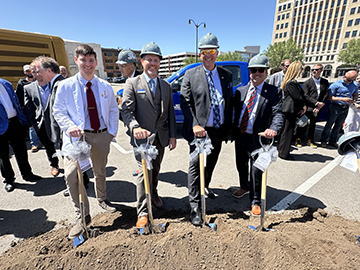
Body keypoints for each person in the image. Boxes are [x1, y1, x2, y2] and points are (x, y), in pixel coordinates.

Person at [53, 44, 119, 239]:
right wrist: (69, 126)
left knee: (100, 170)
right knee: (72, 176)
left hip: (101, 135)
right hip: (76, 138)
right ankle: (82, 215)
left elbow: (114, 110)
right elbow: (58, 111)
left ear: (96, 62)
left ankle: (102, 199)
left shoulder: (105, 86)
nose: (88, 64)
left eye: (91, 60)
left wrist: (112, 133)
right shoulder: (65, 86)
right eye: (83, 60)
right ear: (76, 61)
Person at [121, 42, 176, 229]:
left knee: (156, 170)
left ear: (159, 62)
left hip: (160, 138)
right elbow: (126, 111)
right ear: (142, 61)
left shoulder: (166, 86)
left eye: (156, 60)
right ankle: (143, 212)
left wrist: (172, 136)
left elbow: (170, 113)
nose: (152, 63)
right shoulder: (132, 83)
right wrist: (135, 127)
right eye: (149, 60)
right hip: (141, 139)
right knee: (143, 173)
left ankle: (153, 193)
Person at [180, 33, 233, 226]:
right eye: (204, 51)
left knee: (211, 162)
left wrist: (229, 128)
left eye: (211, 51)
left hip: (217, 130)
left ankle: (205, 185)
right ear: (199, 54)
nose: (208, 55)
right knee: (195, 166)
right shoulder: (191, 75)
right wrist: (195, 124)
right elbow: (185, 102)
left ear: (217, 52)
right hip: (199, 132)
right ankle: (194, 206)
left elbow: (229, 103)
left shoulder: (226, 75)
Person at [232, 54, 283, 216]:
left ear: (266, 72)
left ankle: (255, 201)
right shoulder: (240, 91)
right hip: (241, 136)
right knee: (241, 165)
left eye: (260, 70)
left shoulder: (274, 92)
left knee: (256, 169)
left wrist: (273, 128)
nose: (257, 73)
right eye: (253, 70)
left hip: (260, 138)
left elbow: (278, 114)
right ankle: (244, 186)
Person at [0, 79, 41, 192]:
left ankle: (27, 174)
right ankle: (9, 180)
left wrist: (22, 119)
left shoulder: (5, 83)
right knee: (3, 155)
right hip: (0, 126)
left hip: (15, 122)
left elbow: (16, 101)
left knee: (21, 151)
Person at [23, 62, 60, 177]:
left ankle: (71, 167)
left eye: (38, 71)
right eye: (33, 72)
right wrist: (32, 123)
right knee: (49, 146)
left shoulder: (55, 84)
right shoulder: (28, 88)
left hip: (58, 120)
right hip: (41, 123)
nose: (36, 74)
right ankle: (54, 165)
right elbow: (28, 107)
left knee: (64, 144)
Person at [320, 70, 358, 148]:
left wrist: (354, 99)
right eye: (349, 79)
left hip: (346, 107)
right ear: (345, 76)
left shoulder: (354, 85)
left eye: (352, 79)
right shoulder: (336, 85)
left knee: (338, 125)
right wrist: (341, 99)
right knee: (329, 124)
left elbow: (355, 93)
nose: (351, 81)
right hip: (335, 107)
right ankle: (323, 140)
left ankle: (333, 141)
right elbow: (329, 97)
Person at [294, 64, 329, 148]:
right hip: (307, 107)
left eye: (316, 70)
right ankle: (298, 138)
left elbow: (325, 94)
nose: (314, 71)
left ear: (321, 70)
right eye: (312, 70)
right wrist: (316, 103)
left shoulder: (324, 82)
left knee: (313, 124)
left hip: (318, 108)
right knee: (303, 123)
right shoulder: (307, 82)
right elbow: (305, 95)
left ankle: (310, 140)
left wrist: (319, 105)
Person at [278, 61, 306, 160]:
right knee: (287, 132)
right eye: (301, 69)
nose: (301, 71)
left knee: (287, 132)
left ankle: (283, 152)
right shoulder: (291, 83)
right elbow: (297, 97)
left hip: (291, 109)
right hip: (290, 110)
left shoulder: (291, 82)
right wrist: (303, 106)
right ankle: (284, 153)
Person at [16, 64, 39, 153]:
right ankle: (34, 144)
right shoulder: (22, 83)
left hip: (39, 106)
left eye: (31, 70)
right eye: (27, 71)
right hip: (29, 108)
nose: (29, 72)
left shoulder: (38, 80)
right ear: (24, 72)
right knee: (32, 125)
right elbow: (19, 96)